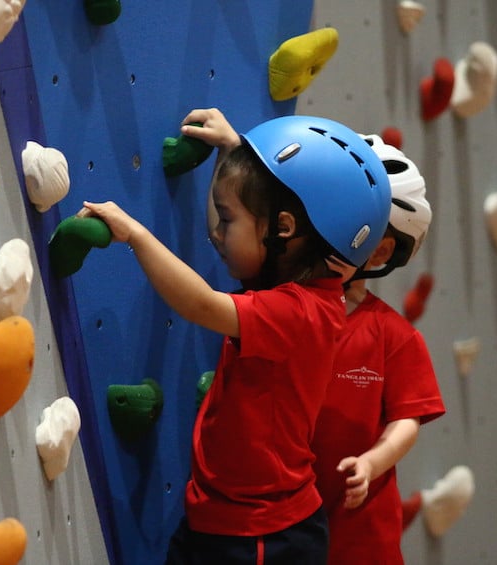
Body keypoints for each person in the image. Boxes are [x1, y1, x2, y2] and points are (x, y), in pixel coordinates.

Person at [80, 109, 393, 564]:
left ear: (284, 229)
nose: (216, 233)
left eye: (227, 220)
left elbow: (202, 304)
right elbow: (250, 223)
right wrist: (235, 152)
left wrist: (136, 235)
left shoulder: (300, 312)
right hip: (225, 523)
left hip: (261, 539)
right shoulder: (291, 278)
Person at [310, 134, 446, 564]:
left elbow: (407, 420)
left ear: (380, 251)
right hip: (280, 525)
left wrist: (372, 463)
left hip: (359, 534)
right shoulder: (286, 312)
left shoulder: (395, 336)